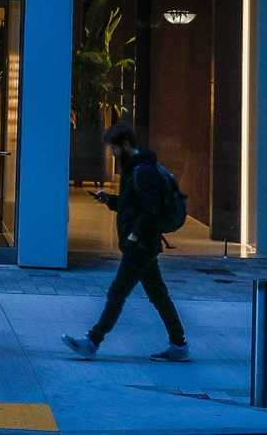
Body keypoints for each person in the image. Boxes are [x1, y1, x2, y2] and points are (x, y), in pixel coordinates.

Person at [62, 123, 189, 362]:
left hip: (140, 245)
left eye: (114, 148)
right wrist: (110, 200)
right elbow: (134, 205)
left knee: (117, 293)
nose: (112, 153)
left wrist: (134, 235)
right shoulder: (136, 169)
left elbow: (149, 210)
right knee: (158, 294)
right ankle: (179, 343)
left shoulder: (143, 171)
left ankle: (92, 341)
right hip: (144, 244)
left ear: (126, 145)